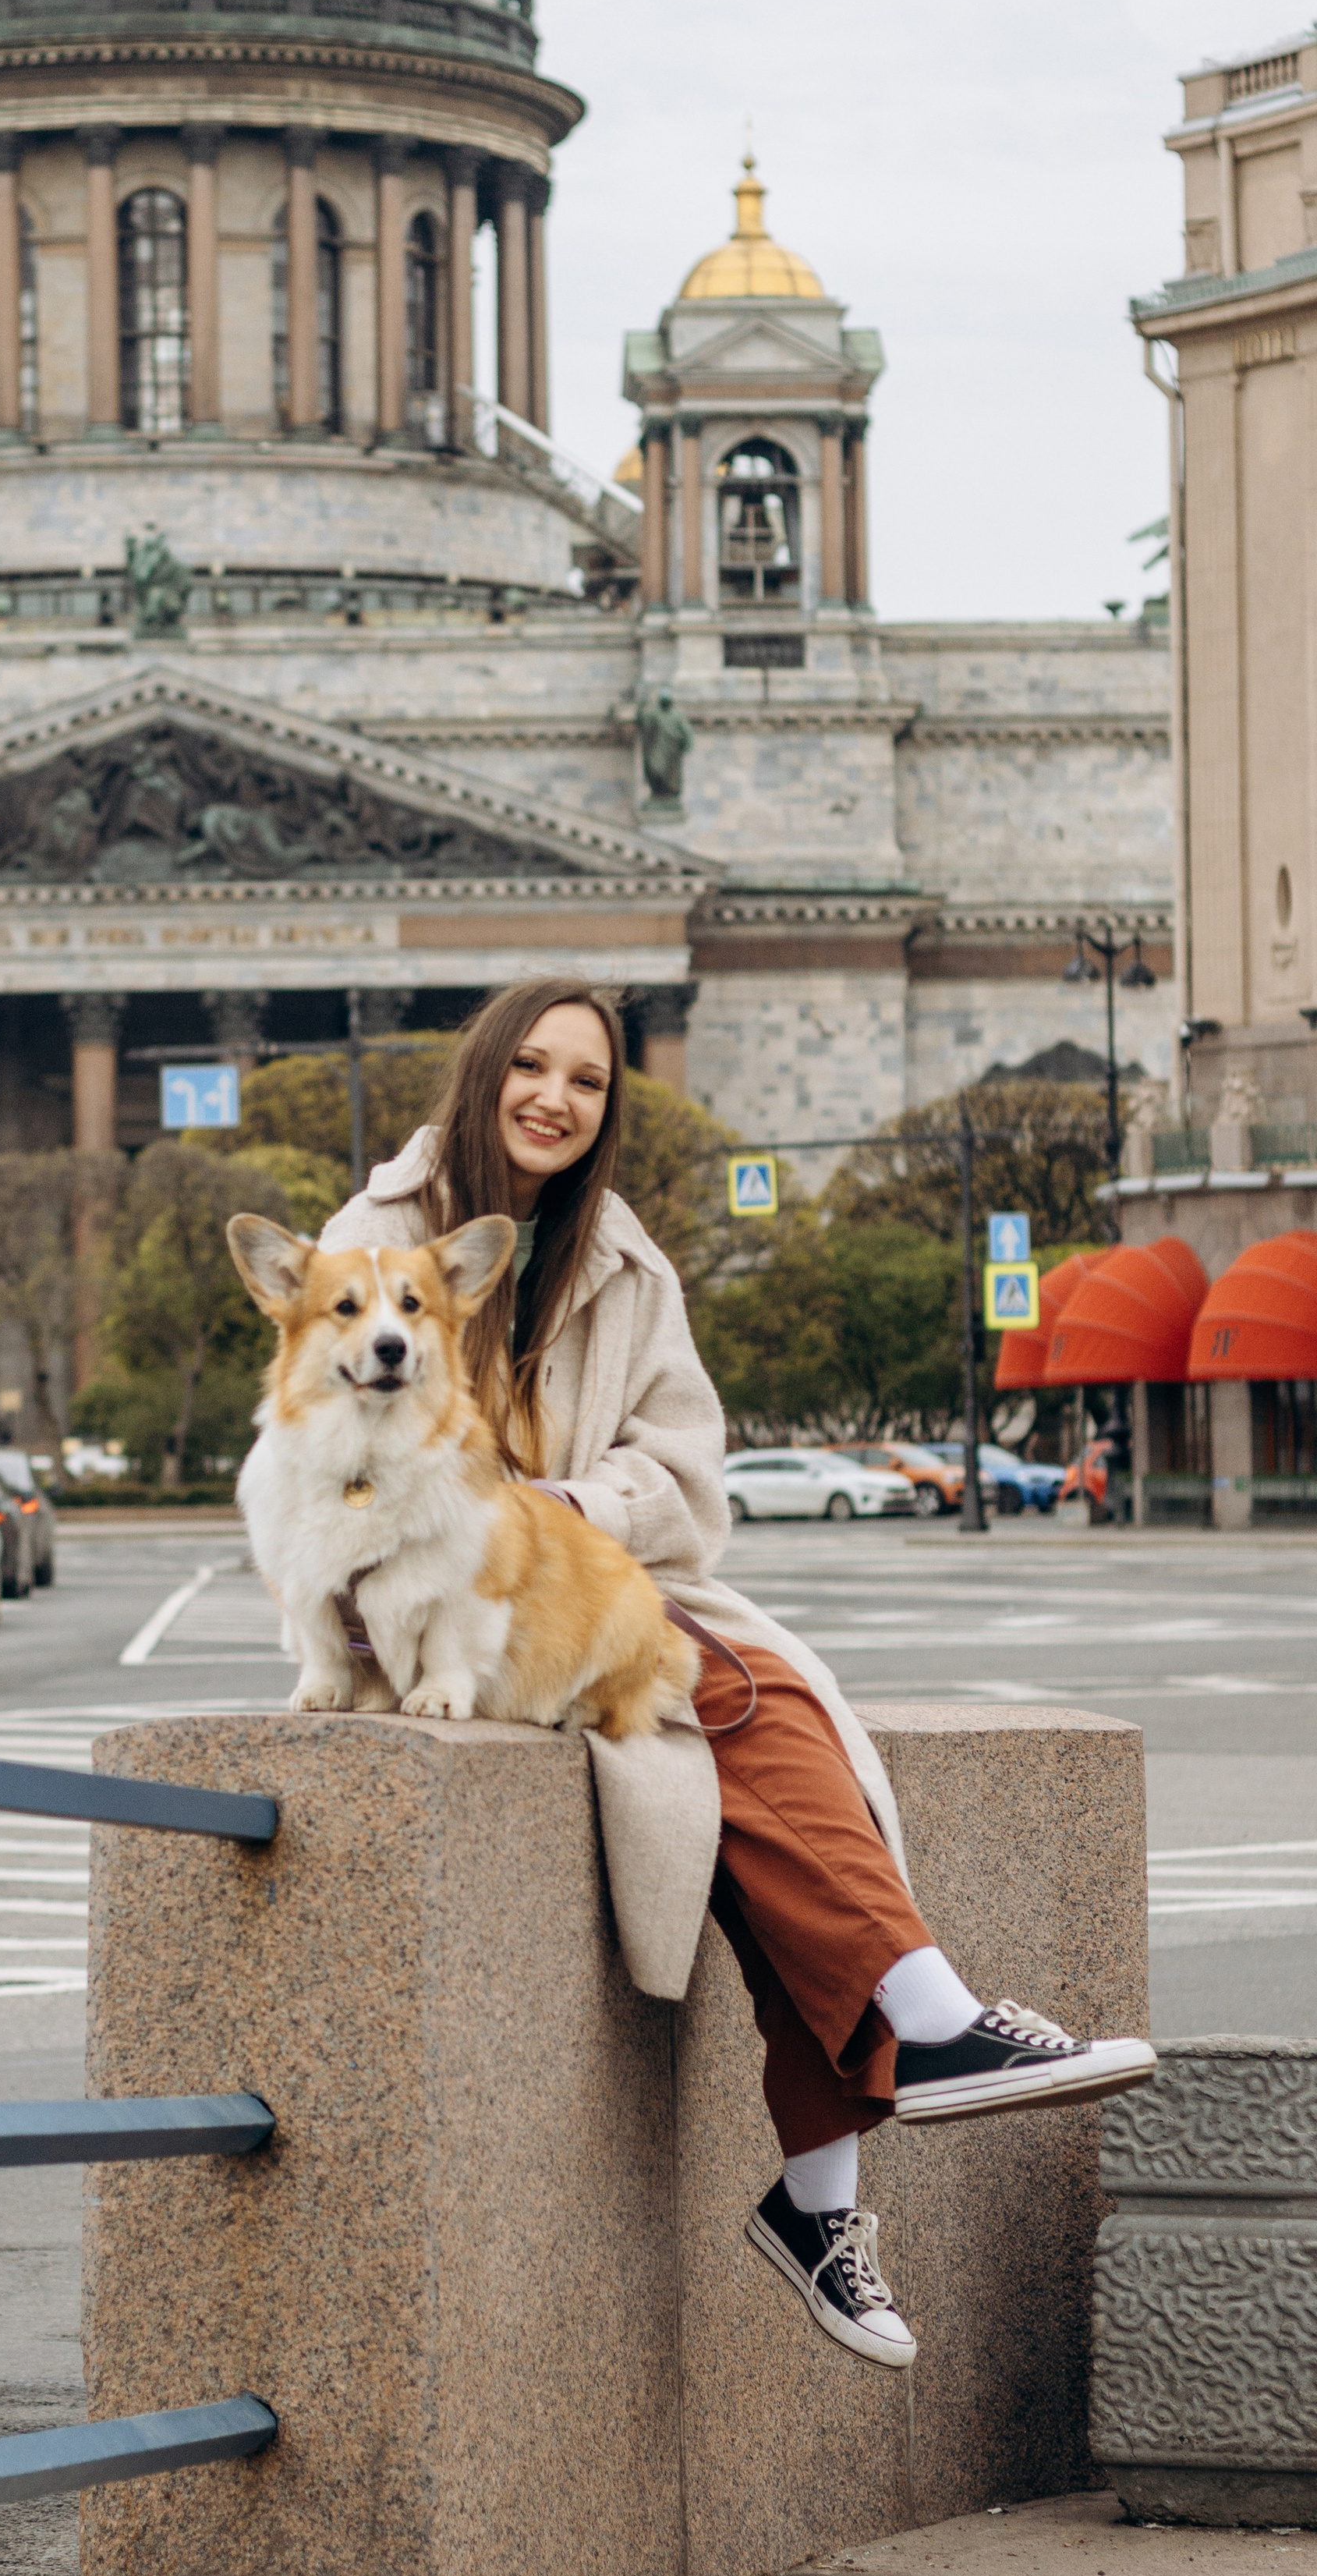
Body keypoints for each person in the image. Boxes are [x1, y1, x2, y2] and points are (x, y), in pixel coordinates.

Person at [318, 976, 1155, 2371]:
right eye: (530, 1066)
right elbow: (336, 1458)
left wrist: (582, 1512)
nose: (554, 1099)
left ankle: (821, 2200)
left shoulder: (627, 1262)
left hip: (588, 1581)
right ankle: (922, 2032)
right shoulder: (375, 1237)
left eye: (586, 1082)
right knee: (741, 1707)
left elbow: (687, 1475)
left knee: (769, 1775)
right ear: (482, 1074)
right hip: (423, 1611)